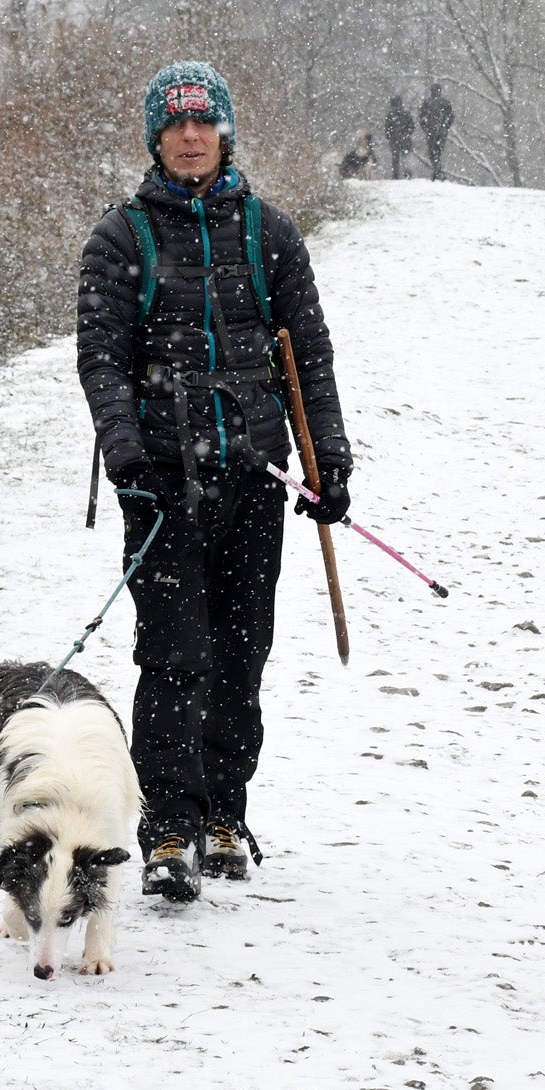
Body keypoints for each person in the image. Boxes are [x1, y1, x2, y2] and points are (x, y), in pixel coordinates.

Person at [76, 60, 354, 903]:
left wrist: (327, 461)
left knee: (242, 656)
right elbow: (101, 360)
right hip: (162, 487)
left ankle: (226, 813)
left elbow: (309, 351)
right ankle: (167, 825)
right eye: (175, 125)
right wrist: (125, 451)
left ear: (225, 133)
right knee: (173, 656)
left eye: (204, 123)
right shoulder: (121, 239)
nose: (190, 137)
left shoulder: (271, 235)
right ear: (155, 138)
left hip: (254, 478)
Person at [418, 83, 453, 180]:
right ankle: (437, 170)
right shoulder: (445, 102)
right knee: (438, 151)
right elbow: (450, 117)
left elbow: (422, 117)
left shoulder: (427, 102)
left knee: (432, 152)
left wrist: (426, 128)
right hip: (441, 131)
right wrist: (445, 127)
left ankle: (437, 170)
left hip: (431, 131)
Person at [384, 96, 416, 179]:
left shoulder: (390, 115)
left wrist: (390, 136)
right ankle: (408, 174)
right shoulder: (406, 114)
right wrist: (406, 133)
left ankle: (395, 175)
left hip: (394, 139)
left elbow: (387, 128)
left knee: (395, 158)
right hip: (405, 139)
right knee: (406, 157)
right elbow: (411, 127)